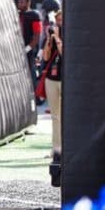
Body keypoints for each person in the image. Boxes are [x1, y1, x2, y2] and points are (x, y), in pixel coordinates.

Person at [41, 10, 63, 154]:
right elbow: (45, 57)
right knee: (55, 116)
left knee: (66, 115)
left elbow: (64, 54)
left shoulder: (70, 34)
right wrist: (50, 39)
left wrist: (58, 38)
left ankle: (68, 147)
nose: (59, 24)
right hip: (51, 79)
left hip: (65, 79)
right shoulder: (50, 36)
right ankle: (56, 149)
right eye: (57, 21)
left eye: (62, 20)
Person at [17, 0, 42, 94]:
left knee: (30, 73)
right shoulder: (18, 14)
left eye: (22, 2)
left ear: (28, 3)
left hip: (29, 50)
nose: (19, 4)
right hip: (18, 49)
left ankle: (33, 94)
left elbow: (37, 36)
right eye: (18, 2)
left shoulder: (35, 15)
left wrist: (27, 49)